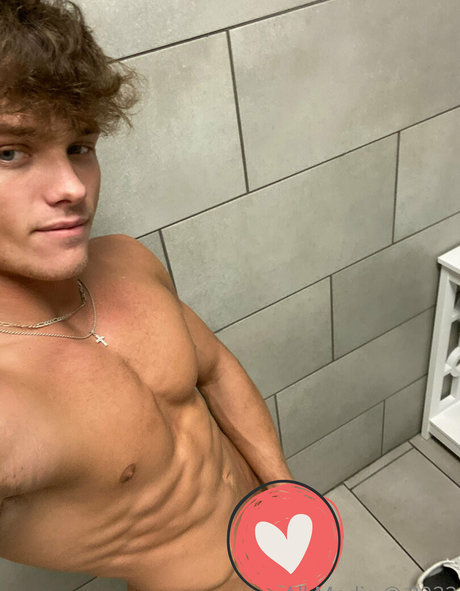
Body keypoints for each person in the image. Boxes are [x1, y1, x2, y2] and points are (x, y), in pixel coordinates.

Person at [0, 1, 293, 590]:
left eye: (80, 146)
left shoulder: (126, 259)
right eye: (9, 152)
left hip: (279, 536)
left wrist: (285, 494)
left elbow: (215, 369)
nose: (72, 187)